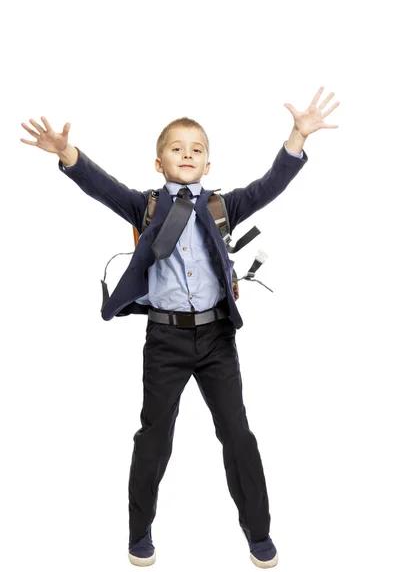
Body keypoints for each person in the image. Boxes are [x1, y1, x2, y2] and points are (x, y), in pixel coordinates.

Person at [20, 86, 339, 568]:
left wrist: (297, 135)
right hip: (165, 340)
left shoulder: (222, 206)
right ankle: (139, 530)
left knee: (237, 434)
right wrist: (67, 153)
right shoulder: (145, 206)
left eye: (197, 150)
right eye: (176, 148)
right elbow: (101, 185)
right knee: (153, 436)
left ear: (208, 164)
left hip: (217, 339)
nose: (187, 154)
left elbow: (269, 184)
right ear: (158, 161)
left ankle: (258, 533)